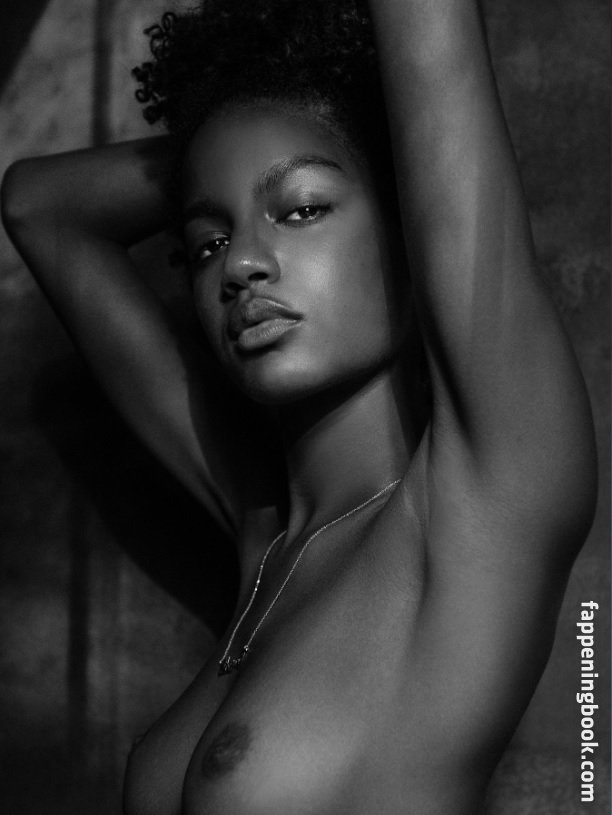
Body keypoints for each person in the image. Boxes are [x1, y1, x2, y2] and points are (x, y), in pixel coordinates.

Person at [0, 0, 597, 813]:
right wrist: (242, 132)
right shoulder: (264, 537)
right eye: (208, 241)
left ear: (412, 231)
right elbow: (39, 204)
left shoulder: (482, 500)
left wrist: (363, 127)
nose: (241, 263)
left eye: (303, 208)